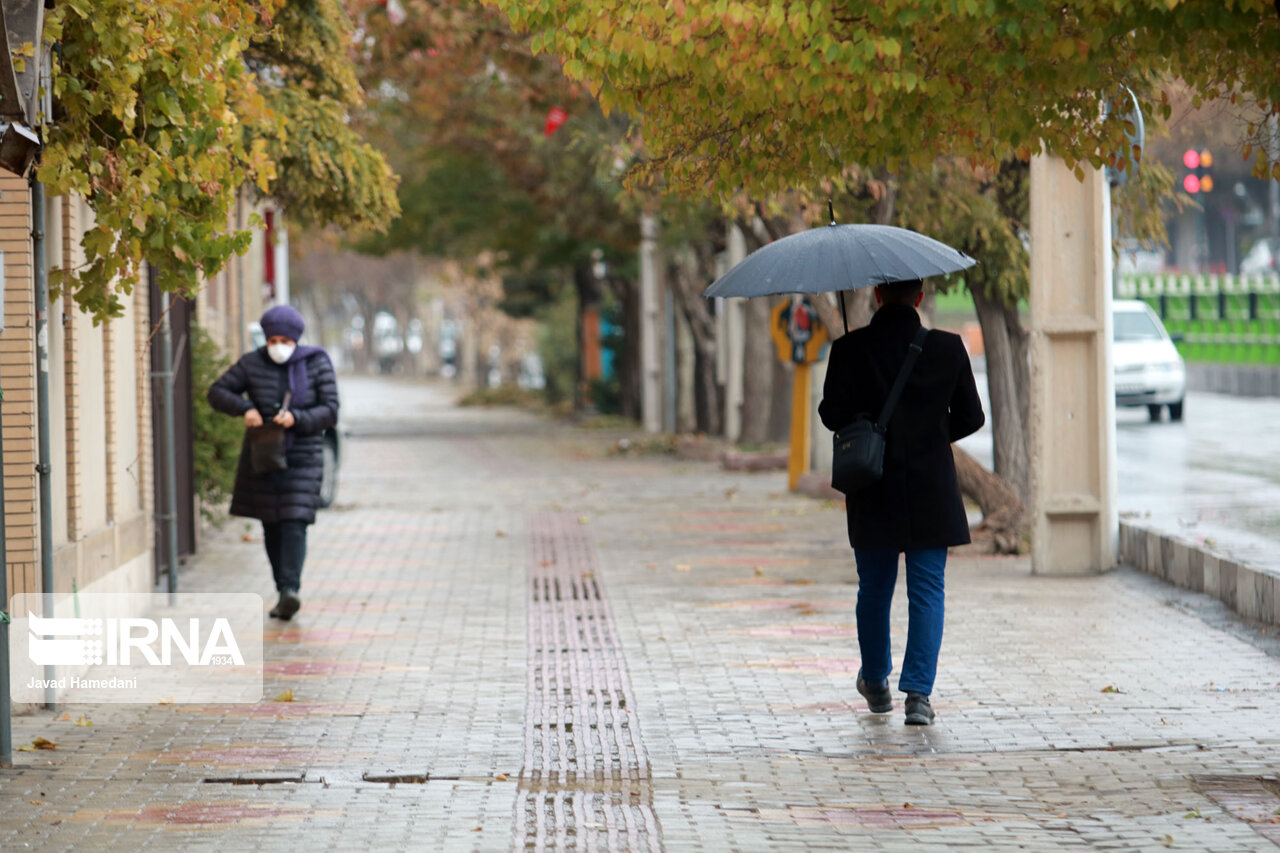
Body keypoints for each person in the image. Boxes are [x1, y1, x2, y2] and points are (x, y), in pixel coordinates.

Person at [818, 279, 984, 725]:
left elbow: (830, 414)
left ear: (876, 296)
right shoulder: (949, 349)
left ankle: (874, 680)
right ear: (920, 296)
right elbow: (972, 416)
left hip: (871, 486)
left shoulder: (849, 349)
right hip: (932, 487)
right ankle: (918, 696)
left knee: (874, 587)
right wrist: (929, 437)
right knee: (928, 588)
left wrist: (865, 416)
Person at [208, 305, 339, 620]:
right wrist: (245, 408)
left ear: (296, 339)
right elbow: (217, 392)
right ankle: (283, 589)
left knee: (294, 522)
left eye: (285, 340)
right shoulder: (252, 364)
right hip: (264, 455)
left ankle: (290, 589)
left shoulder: (316, 362)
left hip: (303, 456)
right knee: (271, 524)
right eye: (272, 340)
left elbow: (331, 410)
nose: (278, 346)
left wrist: (297, 418)